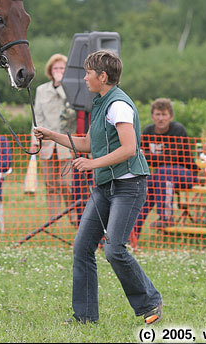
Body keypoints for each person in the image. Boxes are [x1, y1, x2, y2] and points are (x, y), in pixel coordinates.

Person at [33, 50, 162, 325]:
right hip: (106, 187)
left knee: (114, 249)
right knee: (82, 248)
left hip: (129, 186)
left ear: (102, 76)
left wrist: (92, 165)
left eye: (88, 73)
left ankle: (151, 302)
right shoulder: (99, 103)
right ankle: (85, 317)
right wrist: (50, 134)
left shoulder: (119, 106)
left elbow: (129, 149)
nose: (84, 78)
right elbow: (88, 144)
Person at [131, 99, 198, 245]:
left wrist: (150, 156)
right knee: (146, 186)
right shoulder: (148, 131)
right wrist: (154, 156)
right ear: (152, 116)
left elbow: (173, 157)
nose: (161, 118)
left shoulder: (177, 130)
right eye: (157, 114)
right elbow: (140, 156)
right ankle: (131, 236)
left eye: (164, 114)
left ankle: (166, 217)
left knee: (162, 172)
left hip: (187, 174)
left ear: (170, 116)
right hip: (161, 177)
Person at [30, 54, 78, 225]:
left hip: (67, 142)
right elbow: (37, 115)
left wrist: (60, 84)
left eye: (62, 69)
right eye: (56, 68)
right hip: (47, 143)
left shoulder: (72, 88)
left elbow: (69, 103)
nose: (58, 71)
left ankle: (73, 216)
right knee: (50, 185)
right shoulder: (42, 90)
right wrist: (34, 139)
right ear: (50, 70)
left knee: (67, 184)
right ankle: (53, 219)